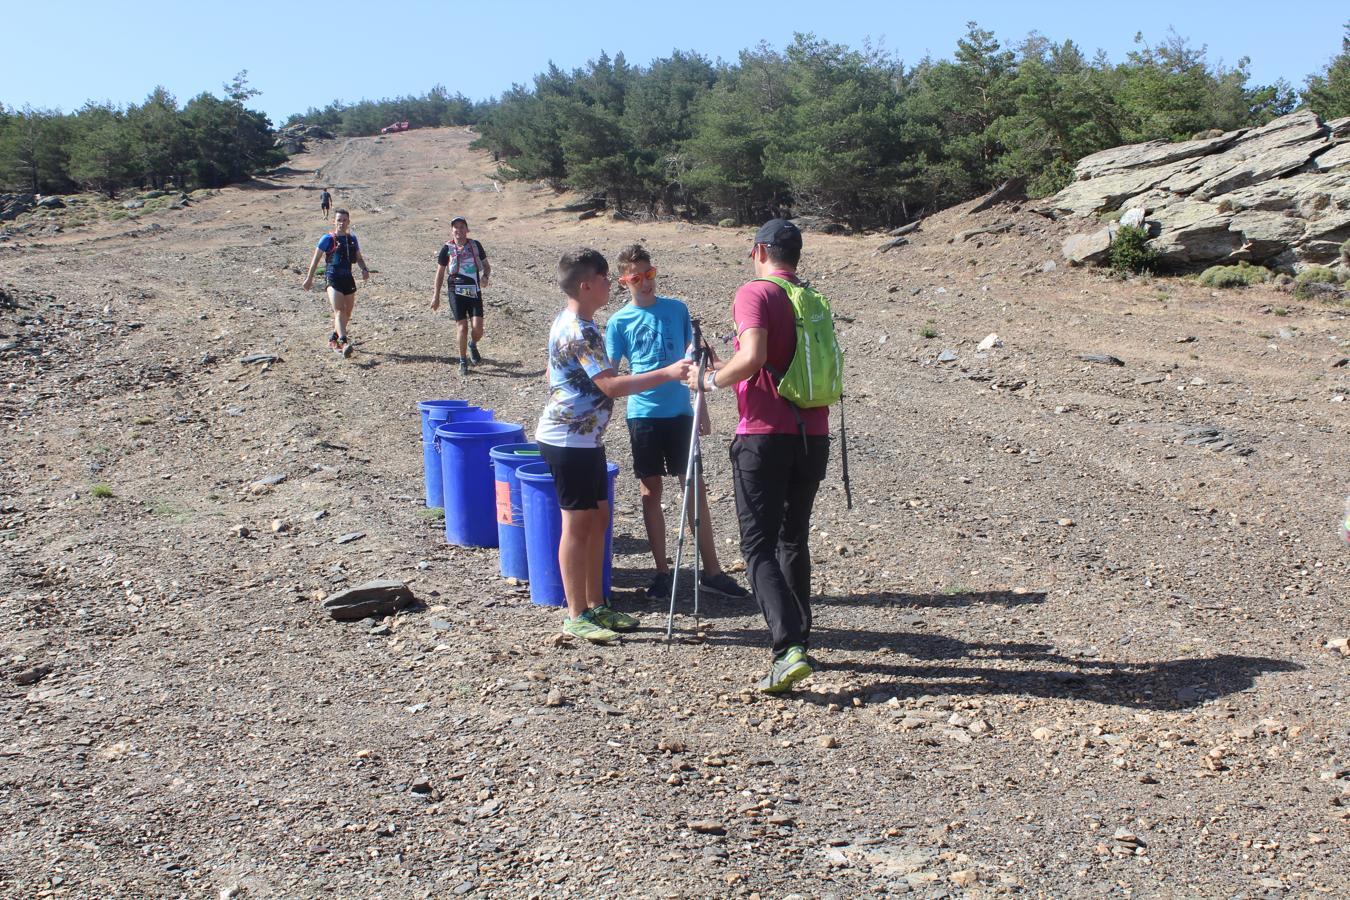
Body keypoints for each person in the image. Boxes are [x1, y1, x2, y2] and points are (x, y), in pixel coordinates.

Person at [686, 219, 828, 693]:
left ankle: (787, 649)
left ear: (760, 250)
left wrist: (707, 380)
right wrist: (723, 365)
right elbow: (766, 365)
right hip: (813, 433)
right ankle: (800, 640)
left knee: (756, 546)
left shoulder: (756, 293)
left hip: (764, 436)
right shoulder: (810, 298)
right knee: (792, 538)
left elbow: (753, 359)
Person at [535, 248, 692, 644]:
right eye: (606, 279)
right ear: (586, 285)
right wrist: (668, 373)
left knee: (598, 520)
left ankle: (596, 603)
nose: (611, 284)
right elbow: (610, 385)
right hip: (567, 440)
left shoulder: (583, 322)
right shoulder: (579, 330)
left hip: (585, 440)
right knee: (577, 525)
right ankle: (576, 613)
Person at [604, 244, 750, 602]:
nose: (645, 283)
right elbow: (609, 373)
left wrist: (704, 409)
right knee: (650, 490)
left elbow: (696, 359)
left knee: (693, 487)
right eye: (636, 278)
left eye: (649, 274)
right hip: (643, 415)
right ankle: (661, 572)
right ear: (625, 282)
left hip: (681, 412)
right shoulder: (618, 322)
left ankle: (712, 571)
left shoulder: (677, 309)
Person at [302, 208, 369, 357]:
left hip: (348, 278)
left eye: (345, 220)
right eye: (339, 220)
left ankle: (334, 337)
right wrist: (309, 278)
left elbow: (358, 257)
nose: (342, 223)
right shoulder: (327, 239)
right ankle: (344, 342)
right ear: (334, 221)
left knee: (348, 312)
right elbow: (315, 260)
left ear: (349, 222)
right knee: (339, 310)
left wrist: (364, 269)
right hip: (332, 278)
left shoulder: (352, 239)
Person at [431, 216, 490, 376]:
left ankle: (473, 344)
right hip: (455, 291)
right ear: (452, 231)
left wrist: (485, 276)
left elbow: (486, 266)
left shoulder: (475, 246)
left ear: (467, 229)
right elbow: (440, 273)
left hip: (474, 291)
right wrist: (436, 296)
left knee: (478, 329)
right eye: (455, 227)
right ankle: (463, 361)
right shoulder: (447, 248)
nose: (459, 230)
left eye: (462, 227)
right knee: (462, 327)